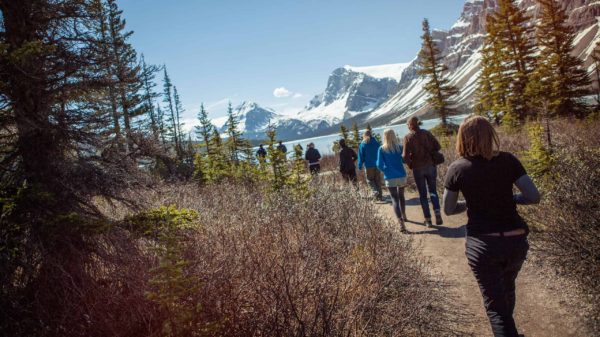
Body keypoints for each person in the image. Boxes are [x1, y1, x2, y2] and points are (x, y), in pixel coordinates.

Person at [443, 116, 540, 337]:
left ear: (463, 139)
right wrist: (511, 198)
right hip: (516, 241)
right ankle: (509, 329)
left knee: (496, 308)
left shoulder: (458, 168)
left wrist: (472, 202)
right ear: (491, 135)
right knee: (508, 288)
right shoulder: (508, 160)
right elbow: (533, 196)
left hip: (483, 246)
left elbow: (448, 210)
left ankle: (507, 330)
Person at [403, 116, 443, 227]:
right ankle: (437, 213)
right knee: (433, 191)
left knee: (423, 195)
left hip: (417, 168)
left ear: (410, 125)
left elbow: (405, 156)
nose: (407, 126)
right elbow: (438, 146)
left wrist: (411, 165)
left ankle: (428, 220)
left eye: (407, 124)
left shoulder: (407, 138)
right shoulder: (427, 133)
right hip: (430, 166)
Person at [376, 129, 408, 233]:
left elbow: (379, 164)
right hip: (401, 175)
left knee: (394, 199)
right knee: (402, 196)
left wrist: (386, 170)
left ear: (384, 137)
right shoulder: (400, 147)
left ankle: (401, 223)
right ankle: (404, 215)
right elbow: (404, 160)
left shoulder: (381, 149)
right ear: (394, 136)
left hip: (390, 177)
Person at [358, 130, 383, 201]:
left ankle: (375, 192)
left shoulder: (363, 144)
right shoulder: (377, 143)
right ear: (371, 135)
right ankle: (380, 197)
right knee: (377, 180)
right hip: (377, 164)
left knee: (370, 180)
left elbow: (361, 156)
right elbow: (380, 153)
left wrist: (360, 165)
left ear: (364, 135)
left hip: (369, 165)